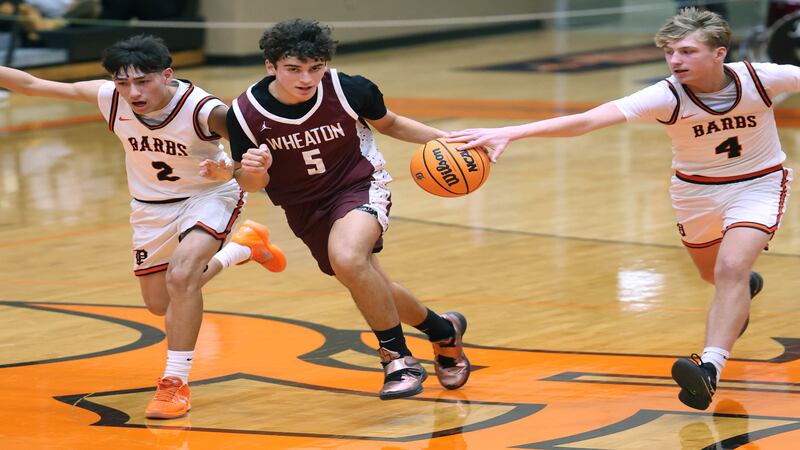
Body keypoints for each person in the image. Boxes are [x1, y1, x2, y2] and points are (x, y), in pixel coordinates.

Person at [449, 7, 796, 411]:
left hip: (759, 183)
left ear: (719, 53)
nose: (675, 61)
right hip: (696, 193)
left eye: (686, 51)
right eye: (669, 52)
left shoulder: (761, 78)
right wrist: (512, 131)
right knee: (714, 274)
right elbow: (588, 120)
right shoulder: (666, 95)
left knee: (730, 268)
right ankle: (741, 292)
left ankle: (709, 369)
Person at [0, 34, 287, 419]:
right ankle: (245, 248)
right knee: (160, 304)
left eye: (143, 81)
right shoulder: (111, 97)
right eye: (123, 83)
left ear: (167, 75)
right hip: (151, 208)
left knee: (182, 276)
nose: (132, 92)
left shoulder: (206, 110)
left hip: (209, 197)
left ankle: (174, 384)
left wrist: (229, 171)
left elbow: (256, 181)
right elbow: (33, 85)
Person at [226, 19, 471, 400]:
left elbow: (389, 124)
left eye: (315, 67)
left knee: (348, 258)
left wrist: (452, 140)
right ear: (270, 66)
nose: (306, 78)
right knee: (368, 279)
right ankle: (443, 330)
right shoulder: (244, 113)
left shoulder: (348, 88)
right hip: (304, 206)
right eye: (294, 69)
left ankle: (397, 359)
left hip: (359, 185)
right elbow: (250, 183)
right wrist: (254, 171)